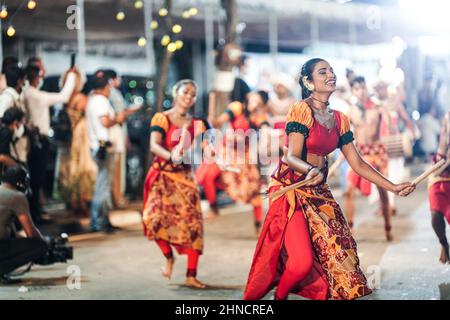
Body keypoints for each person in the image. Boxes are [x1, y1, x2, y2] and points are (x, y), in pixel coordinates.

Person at [244, 58, 415, 300]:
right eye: (322, 72)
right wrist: (309, 169)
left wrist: (394, 187)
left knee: (341, 253)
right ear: (309, 82)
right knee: (301, 263)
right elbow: (292, 156)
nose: (330, 75)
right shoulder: (301, 109)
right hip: (291, 189)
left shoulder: (339, 119)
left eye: (331, 71)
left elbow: (357, 163)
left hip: (319, 192)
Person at [142, 79, 207, 289]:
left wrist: (219, 158)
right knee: (152, 220)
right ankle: (169, 257)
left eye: (193, 94)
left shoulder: (197, 123)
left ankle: (191, 274)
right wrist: (172, 156)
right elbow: (154, 145)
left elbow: (207, 146)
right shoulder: (162, 118)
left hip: (185, 179)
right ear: (176, 93)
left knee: (192, 225)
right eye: (185, 92)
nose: (189, 97)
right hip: (162, 176)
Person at [196, 91, 270, 235]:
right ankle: (213, 207)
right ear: (248, 97)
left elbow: (265, 127)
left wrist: (267, 135)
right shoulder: (237, 107)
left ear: (261, 104)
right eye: (253, 97)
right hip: (225, 150)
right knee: (207, 176)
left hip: (243, 156)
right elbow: (219, 121)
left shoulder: (259, 116)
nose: (254, 102)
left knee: (253, 190)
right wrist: (216, 121)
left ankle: (257, 223)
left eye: (258, 101)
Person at [23, 65, 77, 221]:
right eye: (40, 76)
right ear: (36, 78)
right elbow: (64, 96)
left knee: (35, 178)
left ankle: (35, 212)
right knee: (36, 179)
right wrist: (72, 77)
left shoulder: (27, 94)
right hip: (39, 139)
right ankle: (34, 214)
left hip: (33, 139)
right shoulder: (34, 95)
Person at [345, 76, 392, 240]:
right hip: (360, 153)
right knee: (348, 190)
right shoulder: (351, 110)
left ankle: (388, 228)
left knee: (382, 191)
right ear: (353, 91)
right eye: (357, 89)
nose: (361, 91)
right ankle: (350, 228)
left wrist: (385, 112)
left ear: (367, 88)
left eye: (363, 87)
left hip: (376, 152)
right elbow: (343, 132)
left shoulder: (378, 107)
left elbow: (390, 127)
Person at [85, 71, 131, 232]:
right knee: (103, 186)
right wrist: (118, 119)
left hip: (101, 147)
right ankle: (98, 222)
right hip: (104, 147)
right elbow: (105, 121)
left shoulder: (94, 100)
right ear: (105, 87)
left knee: (103, 185)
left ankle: (103, 220)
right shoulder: (100, 101)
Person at [0, 166, 47, 284]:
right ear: (21, 183)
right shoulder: (17, 197)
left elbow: (12, 230)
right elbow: (30, 232)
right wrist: (45, 242)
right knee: (39, 246)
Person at [375, 81, 415, 216]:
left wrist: (411, 133)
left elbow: (407, 120)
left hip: (394, 143)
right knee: (382, 174)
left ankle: (390, 205)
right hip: (380, 144)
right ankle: (384, 205)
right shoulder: (375, 105)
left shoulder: (395, 104)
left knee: (393, 174)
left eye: (383, 87)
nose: (381, 90)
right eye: (379, 88)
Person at [62, 69, 97, 216]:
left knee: (72, 167)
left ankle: (74, 201)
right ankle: (83, 201)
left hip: (71, 135)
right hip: (81, 135)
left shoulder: (66, 99)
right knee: (85, 168)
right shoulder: (82, 98)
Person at [428, 111, 450, 264]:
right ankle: (443, 242)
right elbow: (437, 170)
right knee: (436, 215)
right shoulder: (445, 135)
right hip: (439, 180)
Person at [0, 66, 28, 164]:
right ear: (19, 81)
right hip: (8, 152)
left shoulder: (16, 98)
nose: (25, 83)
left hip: (16, 150)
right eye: (24, 80)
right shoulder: (7, 98)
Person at [0, 107, 24, 175]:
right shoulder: (6, 132)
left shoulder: (3, 129)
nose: (21, 126)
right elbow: (1, 156)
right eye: (21, 123)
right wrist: (17, 166)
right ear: (15, 122)